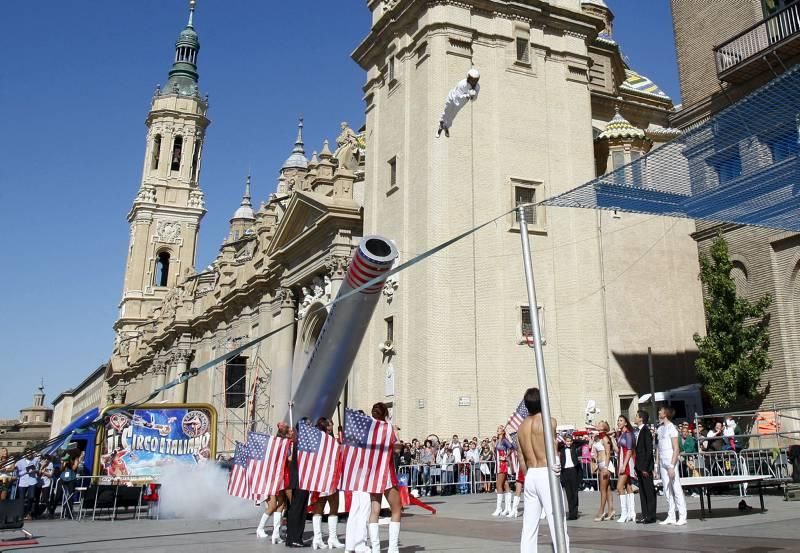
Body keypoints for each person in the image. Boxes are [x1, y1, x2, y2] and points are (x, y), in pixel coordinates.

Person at [517, 388, 569, 553]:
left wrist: (528, 475)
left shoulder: (521, 427)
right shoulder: (549, 421)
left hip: (531, 473)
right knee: (557, 522)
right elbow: (553, 447)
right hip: (546, 472)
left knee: (529, 527)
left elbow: (520, 457)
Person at [367, 402, 403, 553]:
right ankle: (393, 548)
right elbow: (397, 448)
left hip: (372, 473)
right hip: (385, 472)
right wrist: (395, 432)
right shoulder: (387, 429)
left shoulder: (368, 429)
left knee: (374, 510)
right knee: (396, 509)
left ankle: (375, 548)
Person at [310, 417, 345, 550]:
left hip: (317, 478)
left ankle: (317, 539)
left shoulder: (315, 440)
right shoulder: (330, 441)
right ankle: (332, 538)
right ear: (326, 426)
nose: (333, 426)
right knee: (333, 507)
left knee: (318, 509)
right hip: (329, 477)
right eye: (331, 424)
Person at [657, 406, 687, 526]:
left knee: (676, 487)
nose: (659, 412)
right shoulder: (660, 429)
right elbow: (658, 448)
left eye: (661, 410)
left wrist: (671, 465)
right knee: (666, 489)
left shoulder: (672, 428)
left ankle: (682, 516)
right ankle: (671, 516)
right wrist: (656, 464)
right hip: (662, 461)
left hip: (670, 460)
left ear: (665, 413)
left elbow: (676, 448)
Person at [436, 68, 480, 137]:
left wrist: (473, 96)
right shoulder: (462, 84)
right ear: (468, 78)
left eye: (475, 80)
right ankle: (440, 127)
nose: (473, 82)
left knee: (452, 116)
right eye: (472, 79)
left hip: (460, 104)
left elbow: (474, 99)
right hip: (452, 99)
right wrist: (468, 95)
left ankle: (446, 127)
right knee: (446, 112)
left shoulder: (477, 87)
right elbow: (458, 96)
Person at [285, 424, 309, 547]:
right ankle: (294, 538)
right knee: (298, 510)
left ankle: (292, 538)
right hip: (300, 480)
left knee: (295, 509)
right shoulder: (301, 443)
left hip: (297, 480)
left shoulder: (298, 442)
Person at [633, 410, 656, 524]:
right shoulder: (639, 431)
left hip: (645, 467)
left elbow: (648, 451)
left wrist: (646, 468)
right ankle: (645, 514)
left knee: (649, 491)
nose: (635, 417)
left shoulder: (646, 431)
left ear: (641, 418)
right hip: (639, 466)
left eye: (637, 416)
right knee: (642, 492)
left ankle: (651, 516)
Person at [615, 415, 636, 523]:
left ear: (626, 423)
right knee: (628, 486)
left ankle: (624, 513)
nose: (618, 422)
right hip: (622, 461)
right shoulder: (621, 434)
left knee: (619, 487)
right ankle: (631, 513)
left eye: (621, 420)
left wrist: (624, 465)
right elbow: (618, 449)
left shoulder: (628, 434)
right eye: (618, 420)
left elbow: (629, 450)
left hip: (626, 463)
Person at [591, 422, 614, 521]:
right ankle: (611, 509)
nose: (597, 424)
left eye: (600, 424)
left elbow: (608, 453)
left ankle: (601, 511)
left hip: (605, 464)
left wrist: (605, 467)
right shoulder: (598, 438)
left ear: (604, 427)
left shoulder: (605, 438)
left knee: (602, 489)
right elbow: (594, 451)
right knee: (607, 489)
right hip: (600, 464)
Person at [559, 435, 581, 520]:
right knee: (568, 493)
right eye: (567, 441)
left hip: (573, 471)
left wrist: (573, 441)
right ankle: (571, 512)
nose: (569, 442)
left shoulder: (574, 448)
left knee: (574, 493)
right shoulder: (562, 449)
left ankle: (574, 513)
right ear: (564, 441)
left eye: (570, 441)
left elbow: (581, 442)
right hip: (565, 471)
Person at [492, 426, 513, 516]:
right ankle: (508, 508)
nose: (498, 430)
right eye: (497, 429)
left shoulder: (504, 440)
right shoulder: (498, 440)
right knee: (505, 484)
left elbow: (511, 447)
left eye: (500, 428)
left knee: (498, 485)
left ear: (503, 431)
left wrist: (505, 456)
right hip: (498, 464)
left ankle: (499, 508)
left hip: (502, 465)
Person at [15, 451, 39, 519]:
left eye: (30, 453)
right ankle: (21, 513)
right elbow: (18, 473)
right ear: (25, 454)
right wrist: (26, 471)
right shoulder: (20, 462)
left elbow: (37, 469)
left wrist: (34, 471)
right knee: (21, 498)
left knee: (31, 497)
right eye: (27, 453)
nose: (29, 454)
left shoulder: (35, 460)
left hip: (32, 481)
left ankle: (28, 513)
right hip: (23, 482)